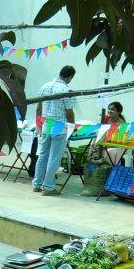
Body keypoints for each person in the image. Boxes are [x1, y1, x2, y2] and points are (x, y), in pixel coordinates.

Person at [33, 65, 77, 196]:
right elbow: (70, 113)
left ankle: (37, 184)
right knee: (54, 158)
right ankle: (48, 187)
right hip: (60, 127)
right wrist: (72, 127)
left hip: (46, 125)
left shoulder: (44, 87)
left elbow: (39, 108)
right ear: (70, 77)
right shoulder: (66, 90)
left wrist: (39, 125)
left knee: (43, 156)